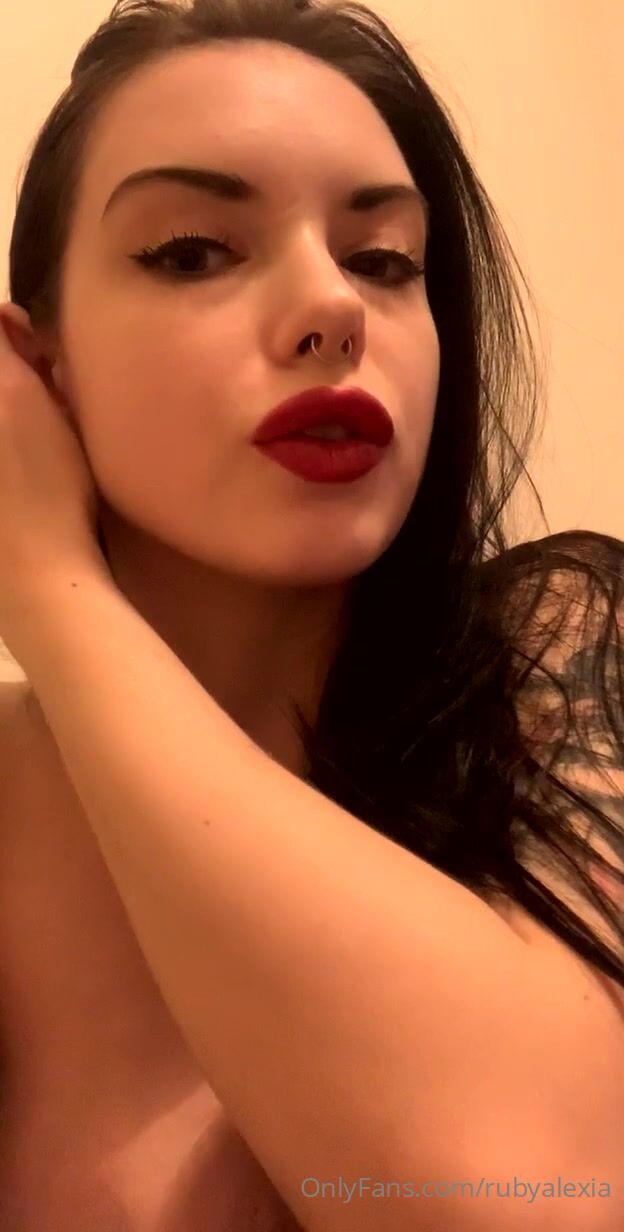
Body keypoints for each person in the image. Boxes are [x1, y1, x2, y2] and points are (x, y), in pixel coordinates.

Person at [0, 0, 622, 1227]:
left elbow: (524, 1196)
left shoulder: (553, 662)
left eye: (384, 260)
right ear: (33, 369)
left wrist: (43, 579)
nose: (333, 306)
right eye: (192, 251)